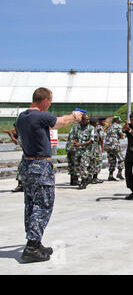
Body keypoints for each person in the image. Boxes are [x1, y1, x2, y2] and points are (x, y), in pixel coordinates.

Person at [16, 87, 82, 262]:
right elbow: (59, 122)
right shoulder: (40, 116)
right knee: (43, 204)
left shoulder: (22, 117)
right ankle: (31, 246)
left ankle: (35, 243)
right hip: (41, 165)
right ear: (44, 100)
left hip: (28, 165)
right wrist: (74, 117)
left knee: (31, 204)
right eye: (50, 101)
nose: (50, 105)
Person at [73, 114, 94, 190]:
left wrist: (80, 144)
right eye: (86, 119)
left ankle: (83, 182)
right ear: (82, 120)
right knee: (78, 166)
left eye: (88, 119)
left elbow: (91, 141)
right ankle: (87, 178)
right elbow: (75, 137)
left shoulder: (91, 128)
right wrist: (75, 142)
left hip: (86, 151)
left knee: (83, 166)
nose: (88, 121)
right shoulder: (77, 128)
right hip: (78, 151)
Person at [4, 124, 24, 192]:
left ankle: (21, 186)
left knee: (22, 169)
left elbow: (17, 142)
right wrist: (10, 134)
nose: (14, 129)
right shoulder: (21, 133)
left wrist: (10, 134)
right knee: (22, 169)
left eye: (15, 127)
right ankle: (22, 185)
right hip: (28, 155)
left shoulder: (23, 133)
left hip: (29, 155)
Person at [104, 116, 125, 181]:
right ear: (116, 120)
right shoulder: (118, 126)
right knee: (121, 159)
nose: (120, 122)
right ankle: (119, 173)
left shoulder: (109, 127)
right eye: (119, 120)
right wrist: (122, 136)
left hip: (108, 145)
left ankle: (110, 175)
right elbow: (121, 135)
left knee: (112, 160)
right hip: (115, 145)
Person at [89, 118, 104, 184]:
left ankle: (89, 178)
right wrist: (102, 147)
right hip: (95, 148)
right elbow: (101, 138)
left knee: (90, 162)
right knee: (97, 162)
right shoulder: (97, 129)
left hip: (88, 148)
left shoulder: (88, 128)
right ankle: (95, 178)